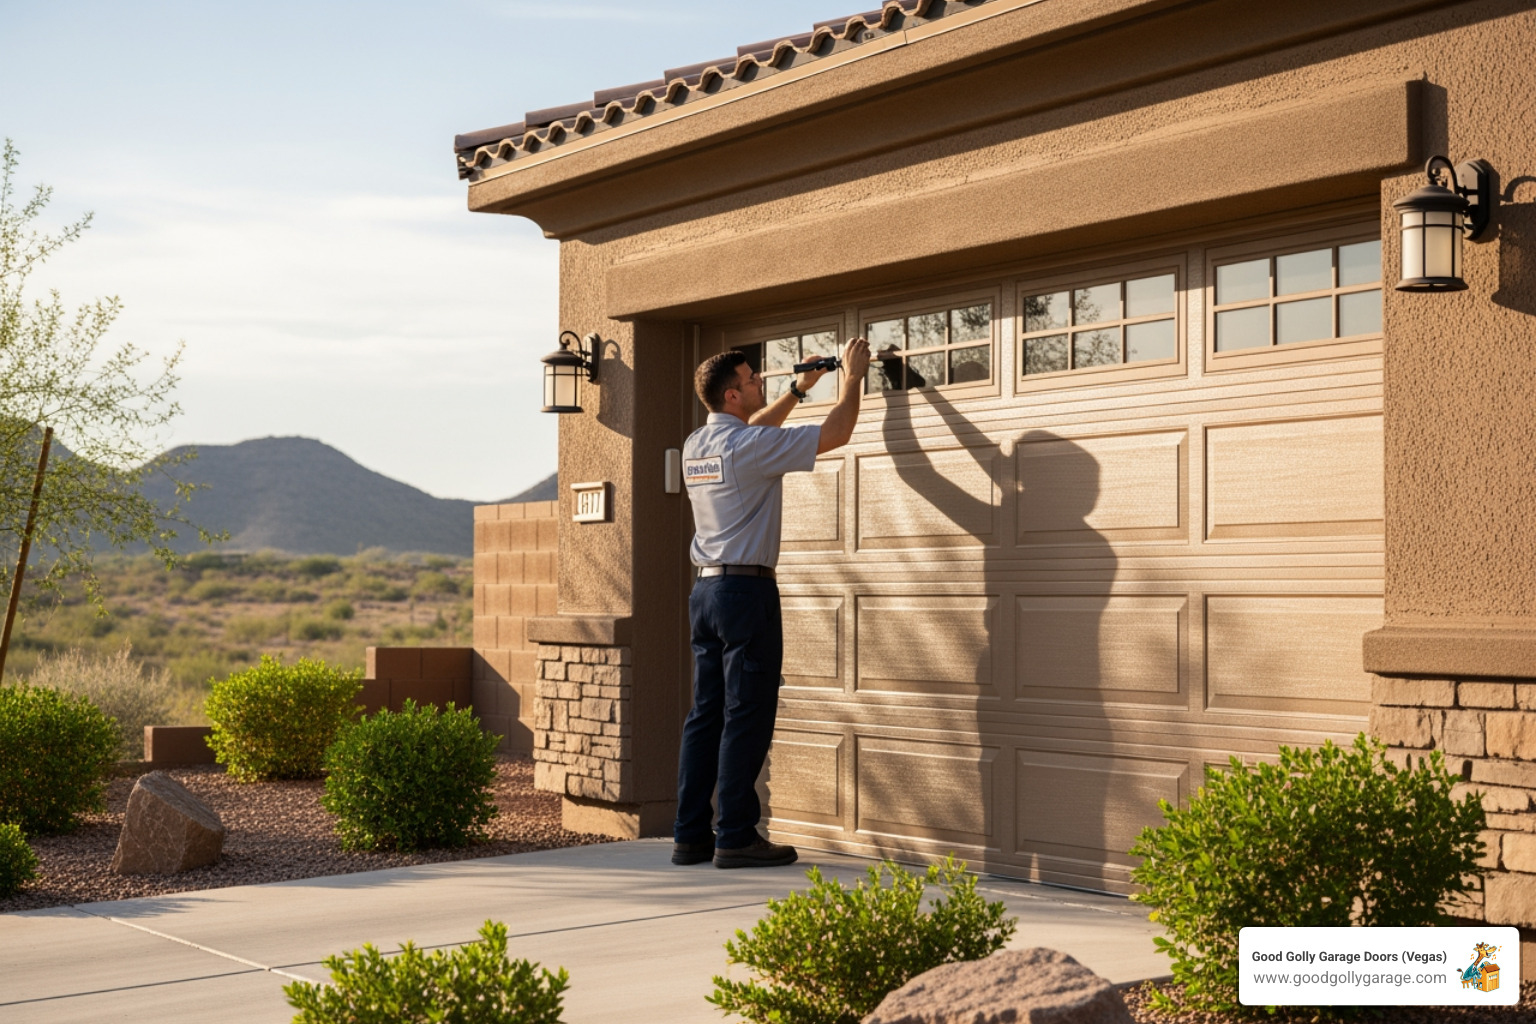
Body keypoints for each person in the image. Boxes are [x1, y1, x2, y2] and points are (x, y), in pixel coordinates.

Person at [673, 336, 872, 868]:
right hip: (746, 593)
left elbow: (754, 431)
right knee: (748, 714)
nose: (761, 383)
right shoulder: (750, 448)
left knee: (706, 714)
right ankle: (735, 834)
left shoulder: (698, 444)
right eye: (753, 381)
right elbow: (837, 433)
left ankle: (690, 834)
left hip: (706, 593)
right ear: (733, 396)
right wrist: (851, 377)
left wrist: (795, 390)